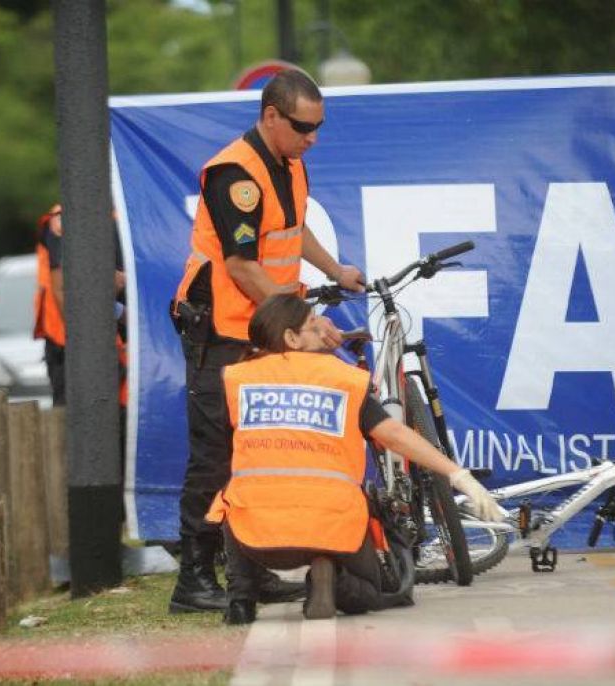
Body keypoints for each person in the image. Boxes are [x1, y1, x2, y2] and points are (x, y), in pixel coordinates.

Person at [168, 68, 365, 613]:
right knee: (214, 456)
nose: (313, 138)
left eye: (319, 126)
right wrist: (300, 319)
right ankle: (193, 580)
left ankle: (249, 572)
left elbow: (293, 228)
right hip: (220, 332)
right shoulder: (236, 173)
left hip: (258, 330)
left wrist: (335, 267)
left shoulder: (290, 163)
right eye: (304, 127)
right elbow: (242, 267)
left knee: (257, 452)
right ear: (272, 116)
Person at [207, 294, 504, 624]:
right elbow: (393, 434)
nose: (323, 332)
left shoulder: (237, 380)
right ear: (291, 338)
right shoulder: (342, 379)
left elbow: (222, 459)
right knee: (374, 590)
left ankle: (240, 602)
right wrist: (457, 474)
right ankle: (333, 579)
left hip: (257, 537)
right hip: (329, 529)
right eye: (313, 326)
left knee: (232, 497)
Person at [34, 204, 127, 406]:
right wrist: (85, 343)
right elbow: (63, 288)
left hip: (108, 338)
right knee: (74, 421)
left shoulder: (120, 216)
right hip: (72, 342)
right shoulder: (64, 218)